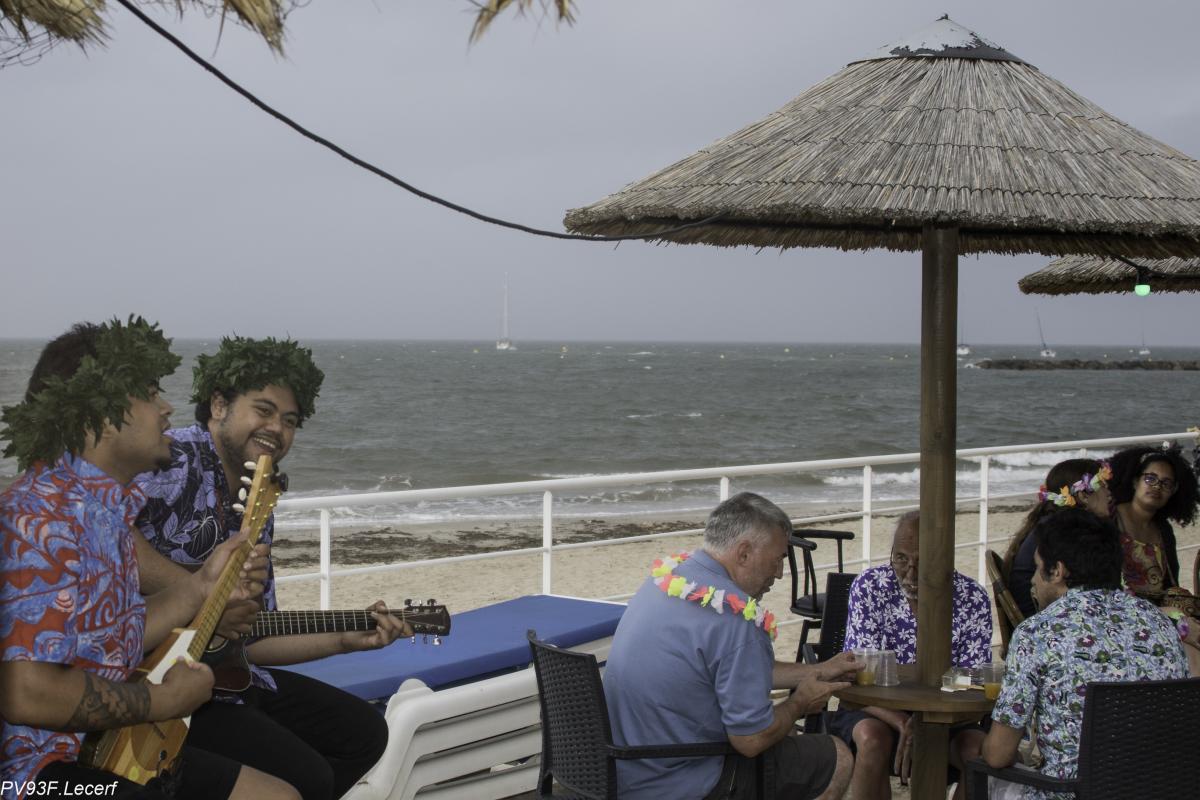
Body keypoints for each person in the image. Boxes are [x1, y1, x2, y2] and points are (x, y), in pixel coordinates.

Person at [0, 318, 296, 800]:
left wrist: (202, 585)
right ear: (100, 415)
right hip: (33, 774)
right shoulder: (39, 517)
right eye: (150, 393)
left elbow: (120, 634)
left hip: (99, 747)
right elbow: (25, 692)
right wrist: (160, 700)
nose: (166, 407)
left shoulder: (103, 514)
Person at [132, 335, 410, 800]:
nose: (276, 428)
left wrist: (346, 640)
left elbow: (254, 636)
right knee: (308, 775)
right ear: (218, 405)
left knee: (363, 733)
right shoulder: (174, 457)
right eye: (264, 410)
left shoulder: (260, 498)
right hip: (154, 678)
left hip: (228, 677)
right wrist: (202, 595)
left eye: (290, 420)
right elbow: (110, 531)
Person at [604, 492, 856, 800]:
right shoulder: (735, 619)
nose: (779, 573)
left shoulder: (668, 580)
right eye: (777, 559)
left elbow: (735, 668)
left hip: (624, 767)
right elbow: (751, 740)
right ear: (744, 553)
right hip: (681, 779)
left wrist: (820, 670)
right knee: (836, 755)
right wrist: (800, 702)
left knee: (785, 733)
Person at [982, 508, 1188, 800]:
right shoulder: (1160, 624)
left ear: (1058, 571)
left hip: (1072, 793)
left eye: (1038, 568)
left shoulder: (1037, 633)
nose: (1033, 581)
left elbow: (998, 755)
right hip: (1161, 791)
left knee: (984, 775)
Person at [834, 511, 992, 800]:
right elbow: (858, 674)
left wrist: (926, 718)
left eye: (922, 561)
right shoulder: (871, 586)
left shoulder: (972, 597)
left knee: (978, 753)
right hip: (876, 709)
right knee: (872, 739)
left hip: (949, 716)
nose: (909, 573)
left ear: (944, 558)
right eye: (901, 558)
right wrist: (902, 721)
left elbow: (974, 679)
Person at [1002, 459, 1112, 619]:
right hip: (1041, 618)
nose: (1109, 492)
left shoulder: (1054, 523)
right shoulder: (1067, 531)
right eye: (1103, 485)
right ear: (1083, 496)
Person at [1107, 444, 1198, 599]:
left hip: (1158, 609)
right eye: (1150, 478)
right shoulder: (1110, 517)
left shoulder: (1164, 530)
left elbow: (1171, 584)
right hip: (1116, 605)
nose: (1157, 486)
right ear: (1135, 481)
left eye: (1166, 483)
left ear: (1173, 491)